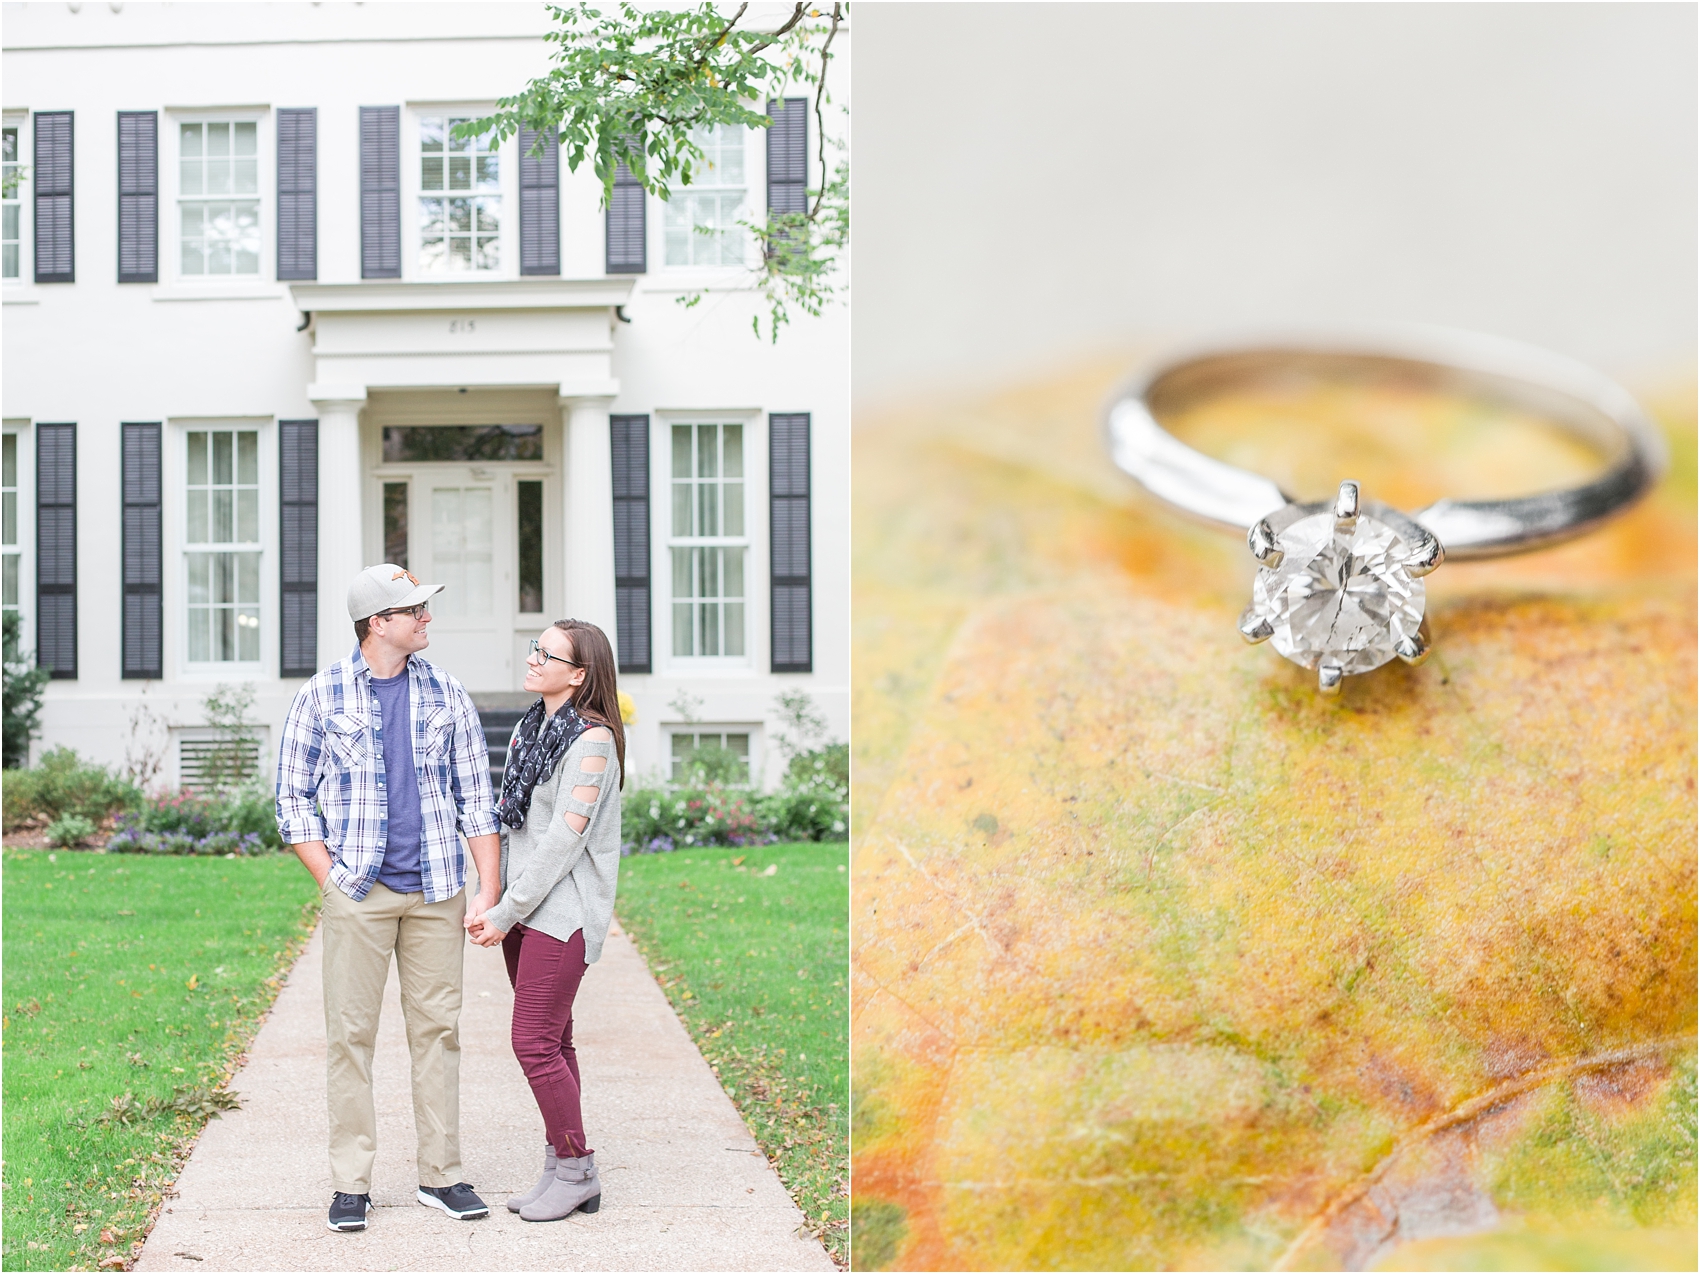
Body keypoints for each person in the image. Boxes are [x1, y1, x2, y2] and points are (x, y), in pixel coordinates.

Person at [275, 564, 501, 1232]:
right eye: (416, 611)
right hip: (360, 894)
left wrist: (487, 888)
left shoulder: (446, 693)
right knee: (351, 1037)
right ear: (381, 623)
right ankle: (351, 1183)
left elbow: (476, 800)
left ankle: (442, 1175)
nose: (427, 619)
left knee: (439, 1033)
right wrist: (333, 883)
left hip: (436, 890)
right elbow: (292, 801)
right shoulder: (323, 695)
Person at [465, 619, 625, 1223]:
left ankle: (578, 1167)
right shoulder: (534, 728)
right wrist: (490, 894)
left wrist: (505, 912)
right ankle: (564, 1168)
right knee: (554, 1040)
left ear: (578, 674)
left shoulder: (593, 742)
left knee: (531, 1041)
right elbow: (515, 827)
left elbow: (561, 842)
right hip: (528, 910)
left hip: (562, 917)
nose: (532, 658)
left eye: (546, 653)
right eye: (535, 647)